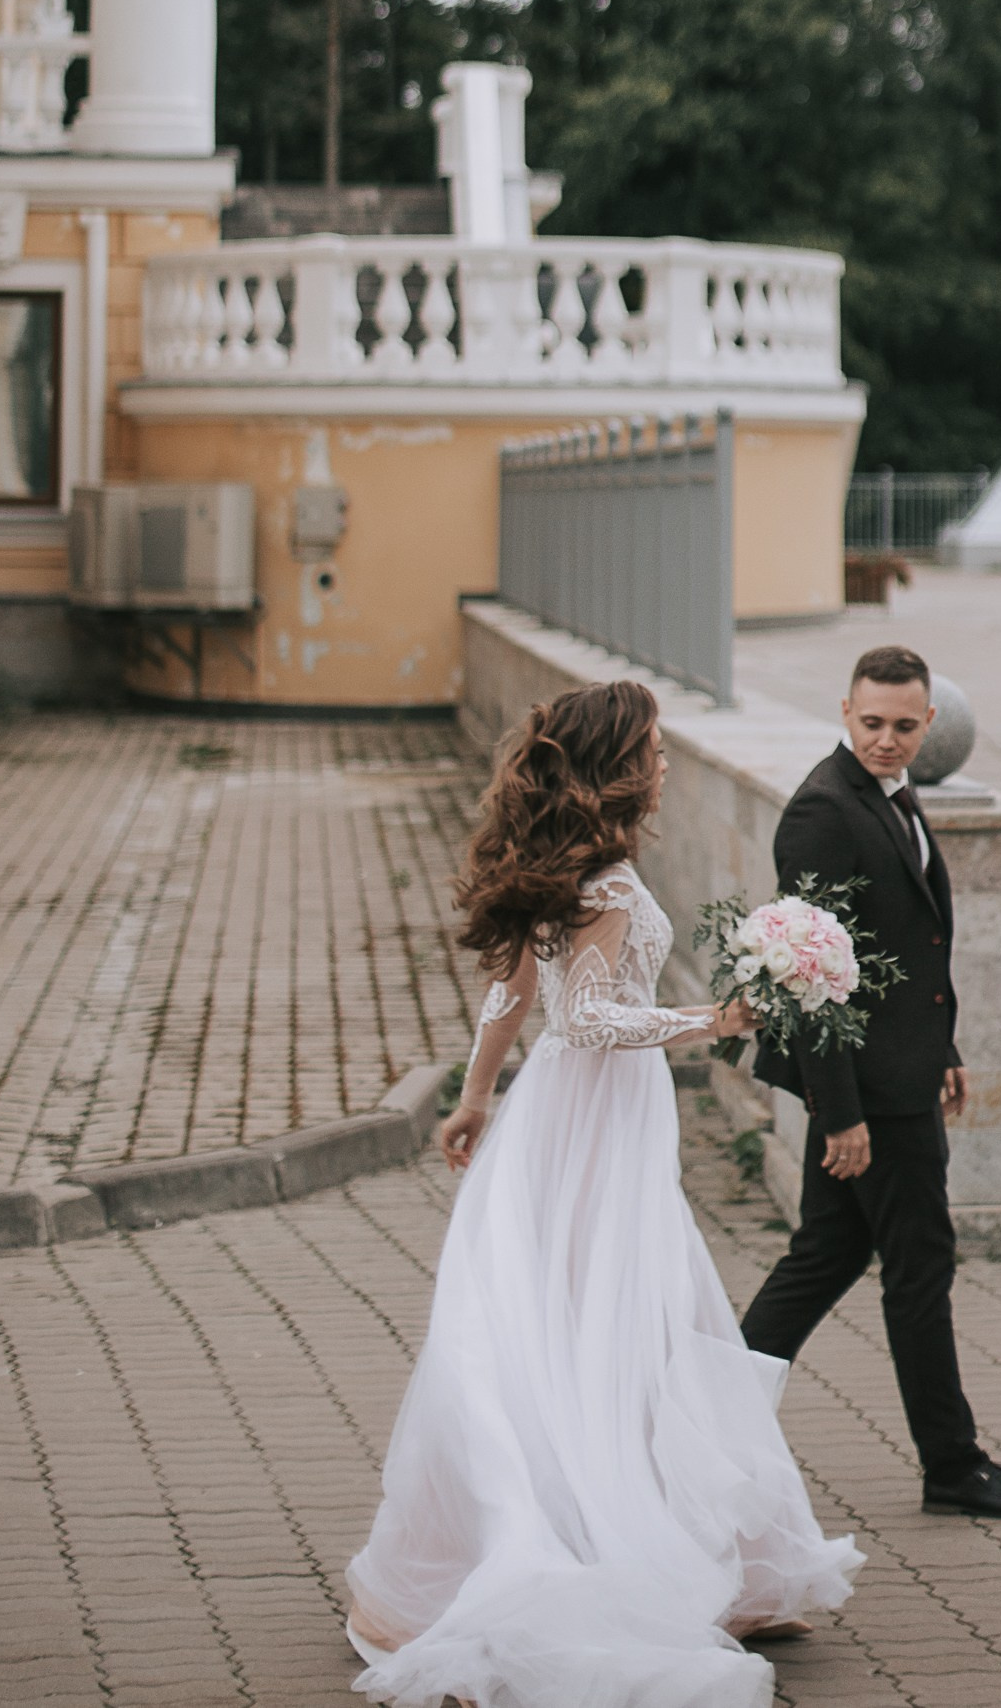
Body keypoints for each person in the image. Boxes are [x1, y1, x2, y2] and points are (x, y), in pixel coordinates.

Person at [346, 680, 859, 1708]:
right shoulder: (608, 882)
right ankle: (599, 1557)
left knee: (580, 1319)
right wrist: (713, 1020)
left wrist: (480, 1091)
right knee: (610, 1322)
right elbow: (585, 1020)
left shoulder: (563, 866)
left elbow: (512, 990)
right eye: (656, 749)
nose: (666, 763)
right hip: (594, 1119)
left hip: (564, 1117)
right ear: (618, 765)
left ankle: (681, 1548)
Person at [739, 644, 1001, 1519]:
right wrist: (843, 1115)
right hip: (871, 1098)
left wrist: (945, 1046)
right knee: (920, 1266)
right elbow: (802, 977)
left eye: (904, 726)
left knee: (825, 1256)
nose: (888, 740)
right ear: (845, 712)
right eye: (873, 723)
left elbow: (905, 946)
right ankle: (953, 1467)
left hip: (899, 1073)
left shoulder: (888, 792)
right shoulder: (820, 811)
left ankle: (707, 1420)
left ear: (930, 722)